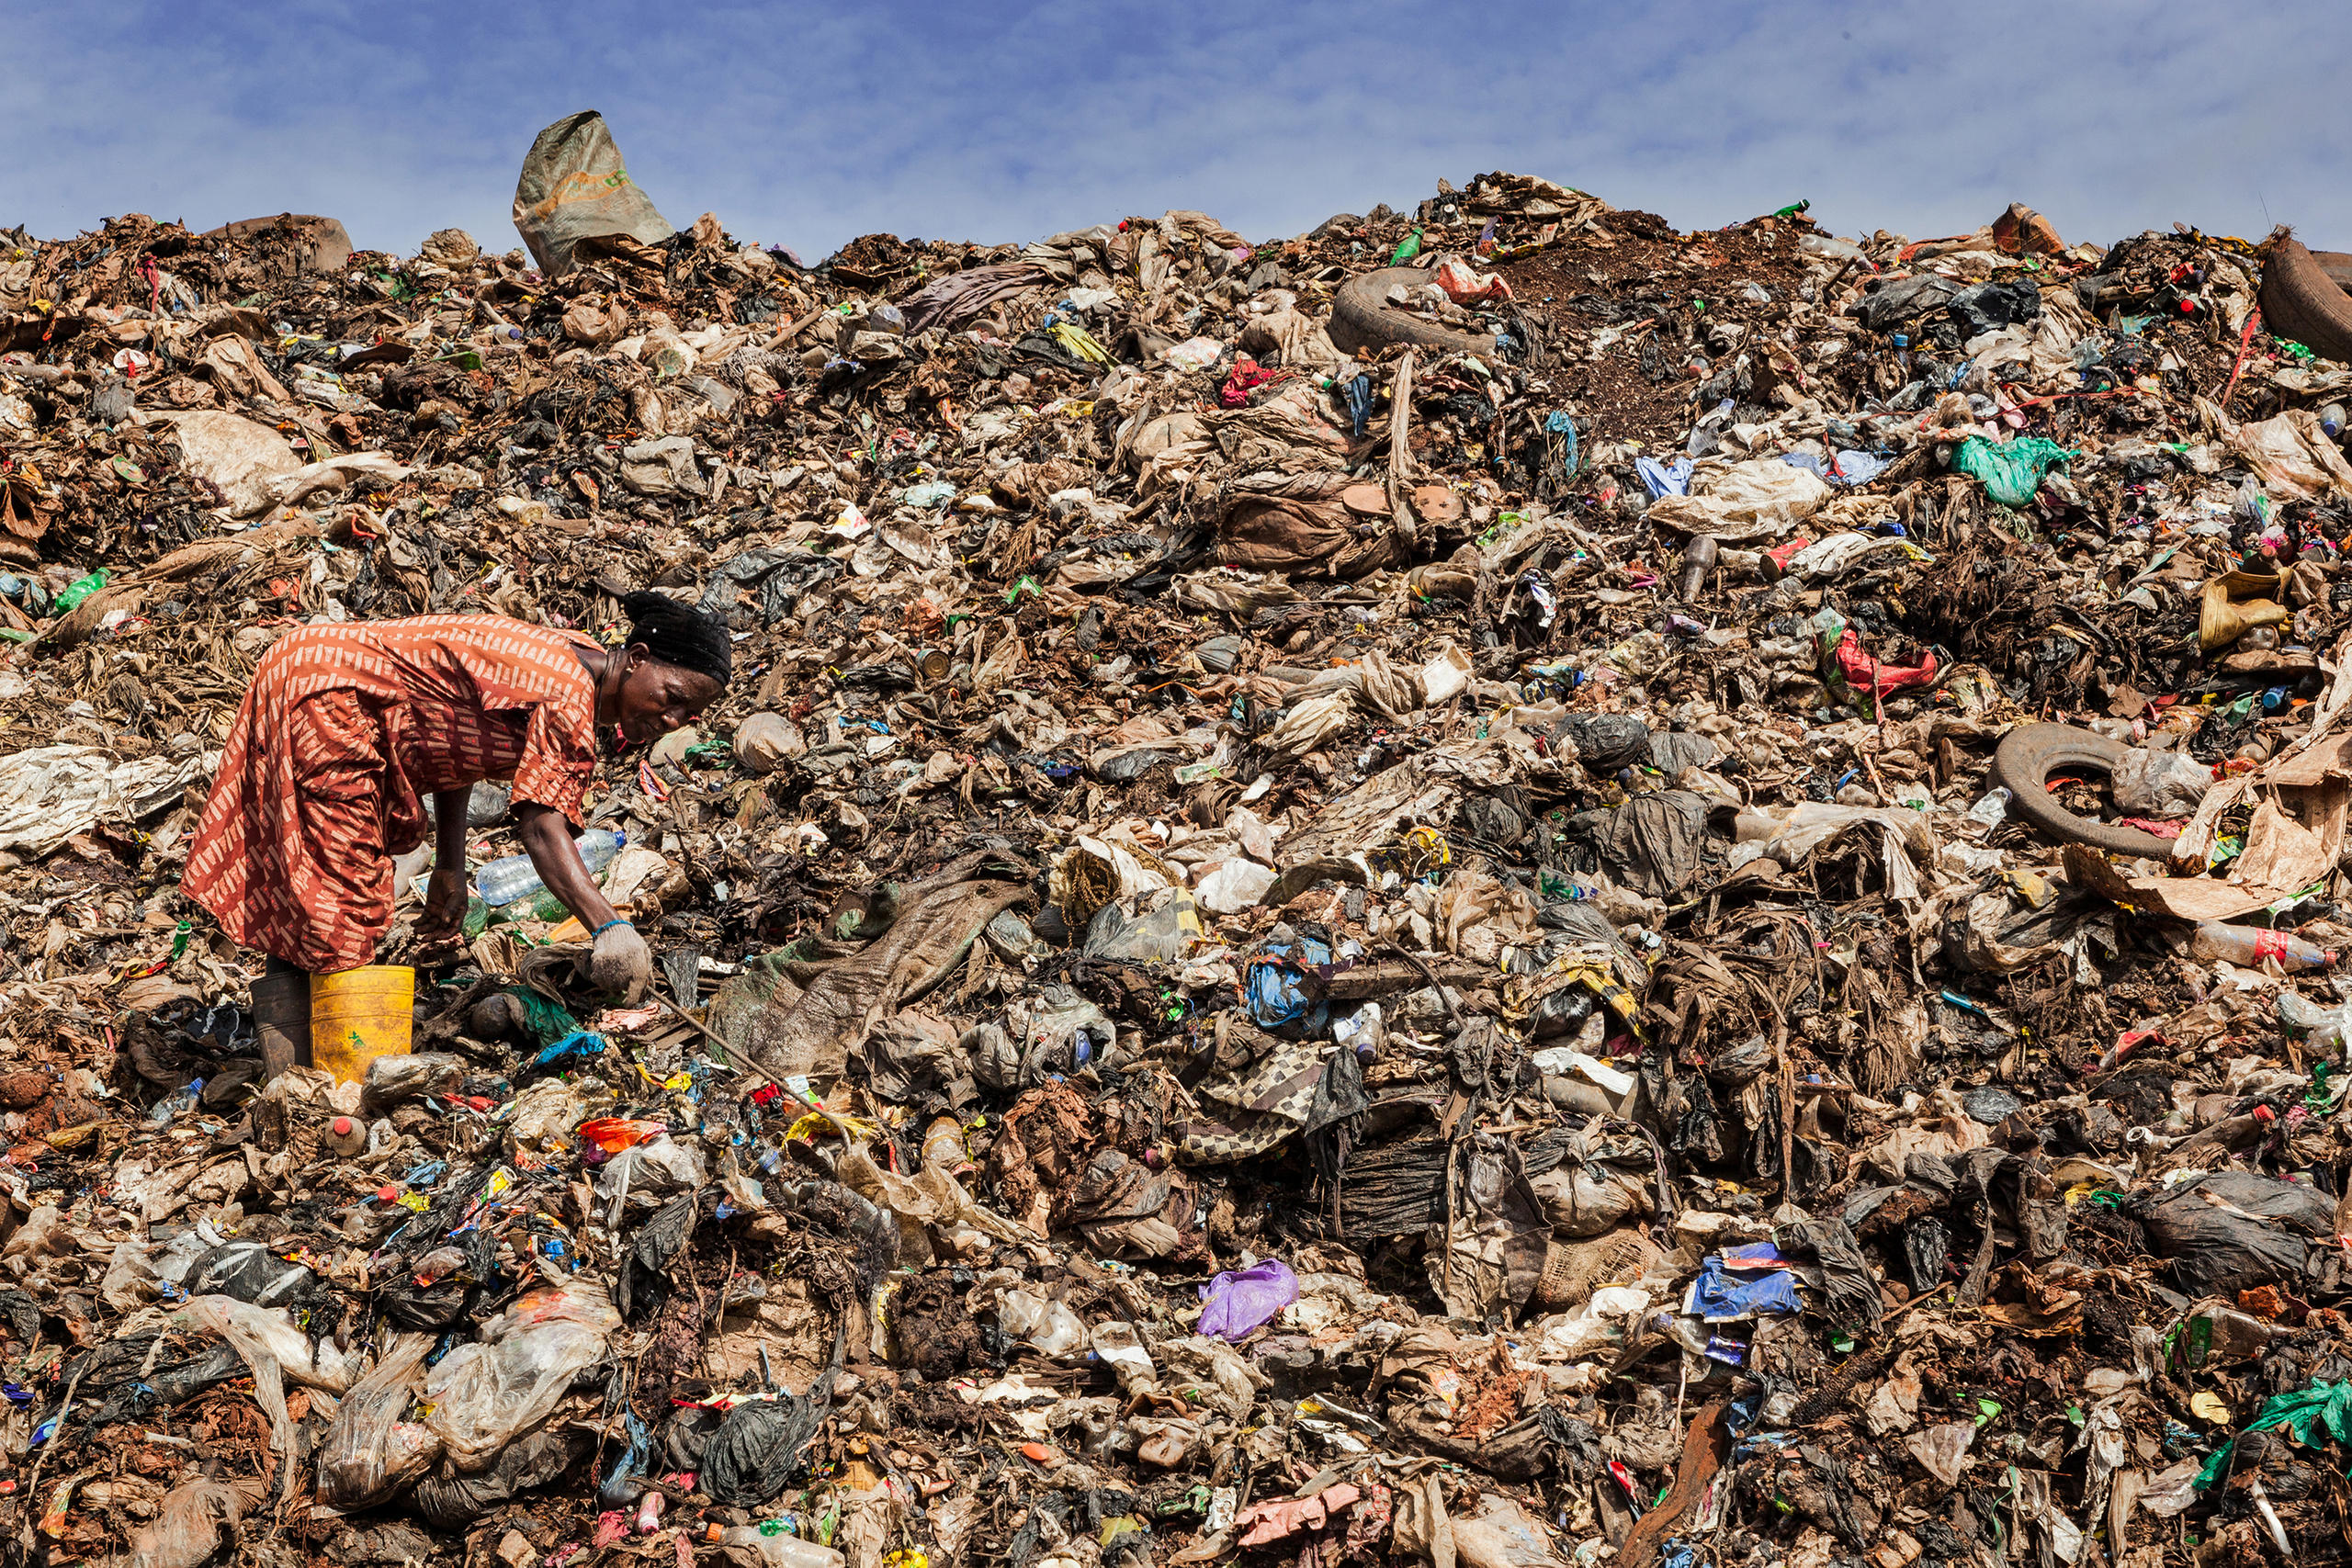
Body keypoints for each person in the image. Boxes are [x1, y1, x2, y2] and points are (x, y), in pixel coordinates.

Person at [184, 592, 730, 1075]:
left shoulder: (575, 660)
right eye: (671, 696)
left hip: (321, 674)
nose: (675, 719)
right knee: (342, 887)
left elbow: (458, 745)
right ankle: (335, 1079)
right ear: (636, 660)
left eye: (691, 712)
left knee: (319, 883)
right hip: (333, 693)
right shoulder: (568, 691)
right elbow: (541, 825)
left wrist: (450, 863)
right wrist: (607, 924)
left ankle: (294, 1066)